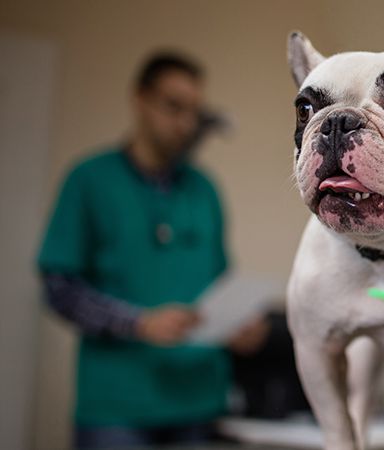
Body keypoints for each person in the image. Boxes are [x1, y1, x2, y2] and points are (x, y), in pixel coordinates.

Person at [37, 51, 266, 448]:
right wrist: (136, 323)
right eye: (173, 107)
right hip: (117, 408)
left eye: (194, 111)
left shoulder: (204, 189)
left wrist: (239, 325)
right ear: (139, 100)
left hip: (200, 403)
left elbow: (220, 285)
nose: (185, 123)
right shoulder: (89, 180)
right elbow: (59, 288)